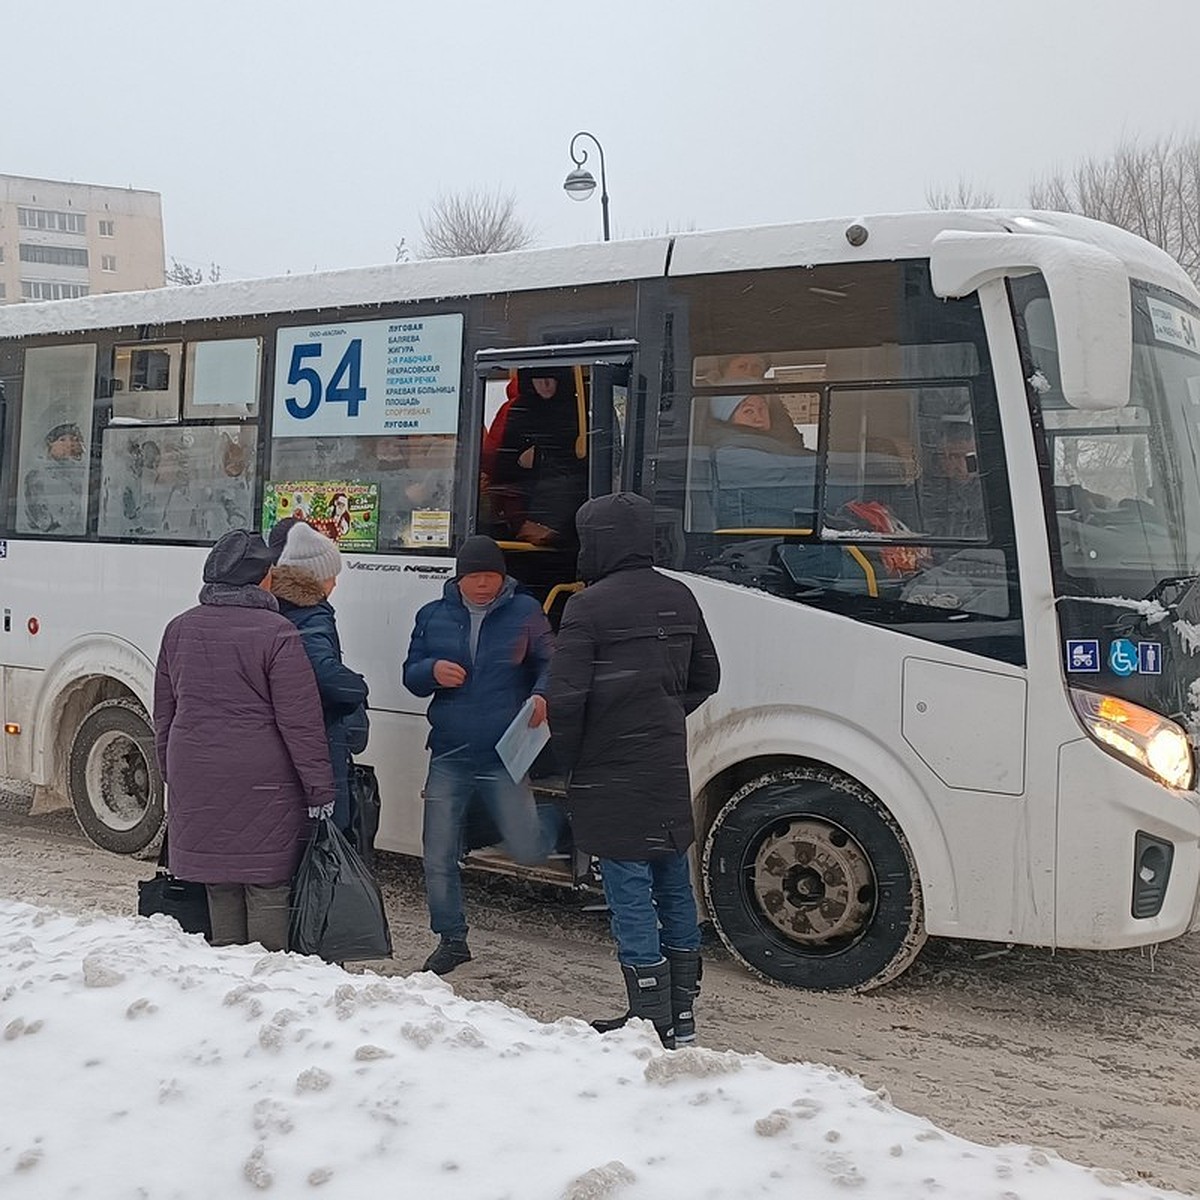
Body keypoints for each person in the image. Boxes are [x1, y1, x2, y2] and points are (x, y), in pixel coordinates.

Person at [547, 492, 721, 1047]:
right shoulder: (680, 596)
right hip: (665, 759)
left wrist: (568, 757)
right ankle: (682, 1014)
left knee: (627, 888)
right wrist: (661, 713)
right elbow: (706, 677)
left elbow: (566, 697)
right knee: (672, 878)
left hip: (609, 764)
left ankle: (648, 1016)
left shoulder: (588, 606)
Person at [153, 529, 335, 951]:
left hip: (195, 771)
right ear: (262, 579)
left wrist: (170, 770)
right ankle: (265, 980)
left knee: (218, 883)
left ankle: (227, 979)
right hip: (262, 779)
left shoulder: (178, 629)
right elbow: (300, 722)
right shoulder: (277, 633)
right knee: (267, 884)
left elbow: (166, 711)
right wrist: (319, 789)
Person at [402, 534, 556, 975]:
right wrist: (430, 671)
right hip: (449, 749)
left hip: (504, 752)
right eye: (475, 577)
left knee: (527, 848)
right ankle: (451, 939)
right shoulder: (432, 615)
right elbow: (410, 674)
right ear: (459, 578)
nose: (484, 585)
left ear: (503, 577)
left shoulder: (525, 612)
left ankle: (556, 823)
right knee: (437, 851)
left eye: (491, 576)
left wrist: (543, 694)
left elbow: (551, 661)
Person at [270, 521, 370, 834]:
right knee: (328, 837)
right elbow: (323, 674)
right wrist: (357, 687)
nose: (335, 584)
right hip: (320, 736)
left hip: (287, 733)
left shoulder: (277, 605)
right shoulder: (311, 612)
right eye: (331, 576)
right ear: (313, 578)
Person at [482, 367, 588, 546]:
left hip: (565, 514)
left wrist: (539, 458)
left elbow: (582, 467)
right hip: (522, 510)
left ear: (561, 379)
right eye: (537, 378)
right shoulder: (518, 411)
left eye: (550, 377)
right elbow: (500, 465)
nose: (544, 384)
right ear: (528, 381)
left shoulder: (579, 411)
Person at [23, 418, 88, 535]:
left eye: (72, 440)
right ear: (50, 443)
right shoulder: (37, 475)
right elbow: (42, 520)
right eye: (62, 440)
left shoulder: (77, 472)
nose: (68, 445)